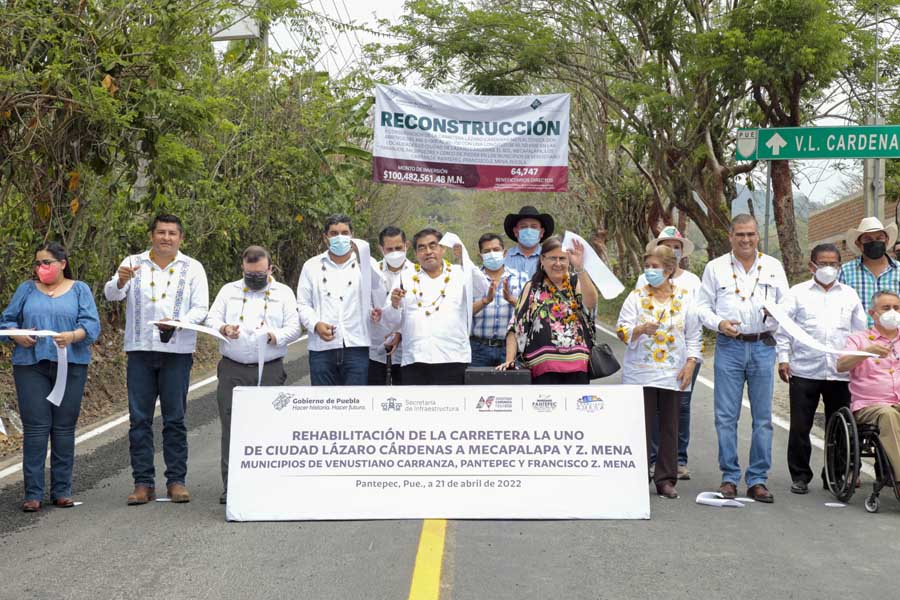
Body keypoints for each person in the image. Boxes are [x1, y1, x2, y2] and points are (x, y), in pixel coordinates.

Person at [104, 214, 209, 505]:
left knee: (175, 418)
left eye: (172, 233)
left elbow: (200, 308)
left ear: (181, 238)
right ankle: (143, 483)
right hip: (140, 349)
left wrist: (178, 321)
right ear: (151, 235)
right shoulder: (133, 261)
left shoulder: (193, 268)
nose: (166, 238)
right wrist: (120, 280)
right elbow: (111, 294)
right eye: (161, 232)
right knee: (139, 419)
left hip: (177, 351)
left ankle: (176, 481)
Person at [1, 243, 100, 512]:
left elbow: (91, 325)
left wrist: (72, 336)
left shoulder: (80, 290)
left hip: (71, 364)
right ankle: (33, 493)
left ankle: (62, 490)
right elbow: (7, 320)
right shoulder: (26, 289)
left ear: (62, 263)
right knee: (35, 428)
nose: (40, 268)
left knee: (64, 428)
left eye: (46, 263)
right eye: (37, 264)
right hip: (31, 365)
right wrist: (15, 334)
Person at [697, 214, 789, 503]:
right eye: (740, 235)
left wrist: (776, 314)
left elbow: (787, 305)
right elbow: (701, 307)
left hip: (763, 346)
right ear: (730, 236)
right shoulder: (715, 268)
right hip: (730, 346)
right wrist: (719, 323)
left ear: (758, 236)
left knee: (763, 418)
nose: (746, 240)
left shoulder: (773, 267)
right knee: (726, 417)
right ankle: (729, 477)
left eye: (750, 234)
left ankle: (758, 479)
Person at [206, 246, 301, 504]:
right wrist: (224, 328)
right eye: (250, 274)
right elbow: (211, 318)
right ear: (242, 268)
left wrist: (276, 335)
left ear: (270, 268)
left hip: (269, 368)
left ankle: (269, 484)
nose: (255, 278)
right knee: (231, 426)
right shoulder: (229, 291)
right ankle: (232, 487)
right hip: (233, 368)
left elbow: (295, 326)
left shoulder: (284, 293)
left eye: (260, 273)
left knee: (269, 427)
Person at [775, 243, 867, 494]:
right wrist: (783, 358)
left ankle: (834, 474)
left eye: (833, 264)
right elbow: (783, 329)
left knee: (839, 427)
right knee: (801, 426)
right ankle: (800, 475)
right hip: (804, 370)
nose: (828, 268)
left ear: (839, 266)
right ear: (811, 265)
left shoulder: (849, 295)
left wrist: (858, 362)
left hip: (840, 371)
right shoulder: (797, 293)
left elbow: (860, 332)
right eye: (823, 263)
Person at [616, 245, 701, 499]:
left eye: (656, 267)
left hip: (672, 372)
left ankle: (665, 479)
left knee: (669, 426)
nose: (651, 271)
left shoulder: (686, 298)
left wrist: (690, 364)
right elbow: (622, 330)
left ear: (669, 268)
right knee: (640, 425)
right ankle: (636, 475)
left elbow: (694, 335)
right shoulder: (636, 296)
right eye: (648, 267)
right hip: (640, 372)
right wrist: (639, 329)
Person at [382, 228, 487, 385]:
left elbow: (483, 288)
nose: (428, 251)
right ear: (416, 254)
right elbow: (390, 321)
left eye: (433, 246)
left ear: (443, 249)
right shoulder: (405, 276)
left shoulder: (459, 273)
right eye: (422, 248)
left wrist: (465, 259)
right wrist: (395, 304)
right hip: (415, 359)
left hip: (453, 357)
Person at [637, 226, 701, 481]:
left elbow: (695, 325)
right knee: (651, 410)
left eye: (676, 246)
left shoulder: (692, 282)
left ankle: (678, 459)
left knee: (680, 408)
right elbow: (632, 318)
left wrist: (691, 359)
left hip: (681, 357)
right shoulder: (644, 281)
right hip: (650, 360)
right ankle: (652, 460)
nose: (672, 249)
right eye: (667, 244)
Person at [297, 214, 385, 386]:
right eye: (334, 233)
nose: (340, 237)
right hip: (321, 348)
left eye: (345, 232)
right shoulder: (311, 266)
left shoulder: (367, 263)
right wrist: (316, 324)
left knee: (355, 404)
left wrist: (364, 258)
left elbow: (377, 288)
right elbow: (303, 304)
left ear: (352, 235)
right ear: (326, 237)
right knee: (323, 403)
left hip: (356, 346)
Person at [498, 236, 598, 383]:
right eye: (553, 258)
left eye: (562, 259)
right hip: (542, 367)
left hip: (577, 366)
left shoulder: (576, 282)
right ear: (542, 260)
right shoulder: (532, 287)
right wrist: (509, 360)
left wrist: (580, 268)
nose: (558, 263)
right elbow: (515, 326)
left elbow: (591, 303)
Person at [837, 290, 900, 494]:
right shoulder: (859, 339)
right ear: (873, 313)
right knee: (887, 414)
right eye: (886, 308)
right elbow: (841, 366)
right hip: (870, 405)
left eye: (896, 308)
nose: (892, 312)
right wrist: (868, 352)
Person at [470, 233, 529, 367]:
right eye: (487, 251)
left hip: (510, 348)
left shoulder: (522, 278)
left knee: (510, 386)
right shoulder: (472, 280)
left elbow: (530, 312)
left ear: (504, 253)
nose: (492, 254)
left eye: (496, 250)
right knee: (476, 386)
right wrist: (484, 301)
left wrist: (512, 300)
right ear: (480, 256)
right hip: (478, 348)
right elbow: (463, 313)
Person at [368, 226, 412, 385]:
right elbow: (363, 303)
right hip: (376, 345)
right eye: (389, 249)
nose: (395, 253)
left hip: (405, 348)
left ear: (406, 245)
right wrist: (370, 312)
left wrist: (399, 333)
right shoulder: (370, 272)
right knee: (374, 397)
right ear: (381, 249)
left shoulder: (417, 273)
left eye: (399, 248)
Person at [839, 216, 900, 320]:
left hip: (894, 334)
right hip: (858, 335)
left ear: (886, 240)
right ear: (858, 244)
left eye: (879, 238)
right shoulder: (845, 272)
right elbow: (839, 307)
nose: (874, 242)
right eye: (867, 239)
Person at [503, 205, 555, 277]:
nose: (528, 231)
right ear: (515, 231)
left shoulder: (551, 258)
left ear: (541, 232)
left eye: (534, 227)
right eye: (523, 227)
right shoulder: (504, 257)